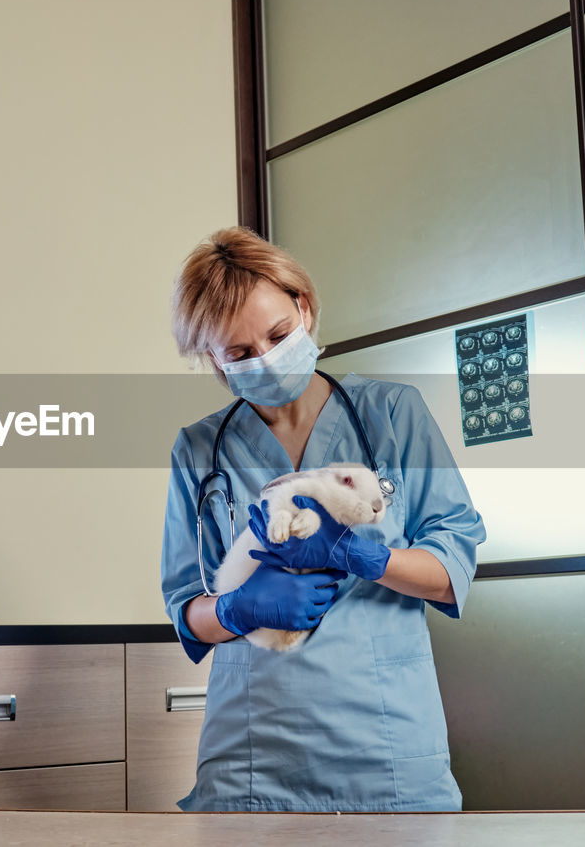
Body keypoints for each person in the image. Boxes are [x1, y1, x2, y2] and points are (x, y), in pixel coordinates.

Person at [160, 227, 486, 812]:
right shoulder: (198, 450)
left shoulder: (392, 414)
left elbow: (453, 564)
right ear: (213, 359)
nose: (263, 358)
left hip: (383, 748)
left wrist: (362, 555)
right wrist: (238, 607)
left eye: (278, 334)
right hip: (251, 760)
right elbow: (187, 608)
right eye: (238, 353)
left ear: (304, 309)